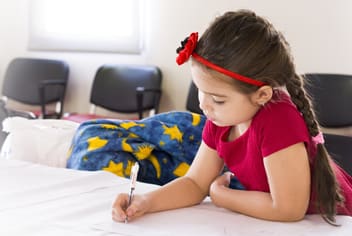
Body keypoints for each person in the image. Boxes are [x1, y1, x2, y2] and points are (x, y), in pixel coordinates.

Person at [112, 9, 352, 224]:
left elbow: (288, 209)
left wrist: (221, 196)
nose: (204, 105)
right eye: (200, 91)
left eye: (217, 99)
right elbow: (195, 184)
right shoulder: (221, 119)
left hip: (337, 221)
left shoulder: (278, 119)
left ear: (262, 95)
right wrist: (145, 202)